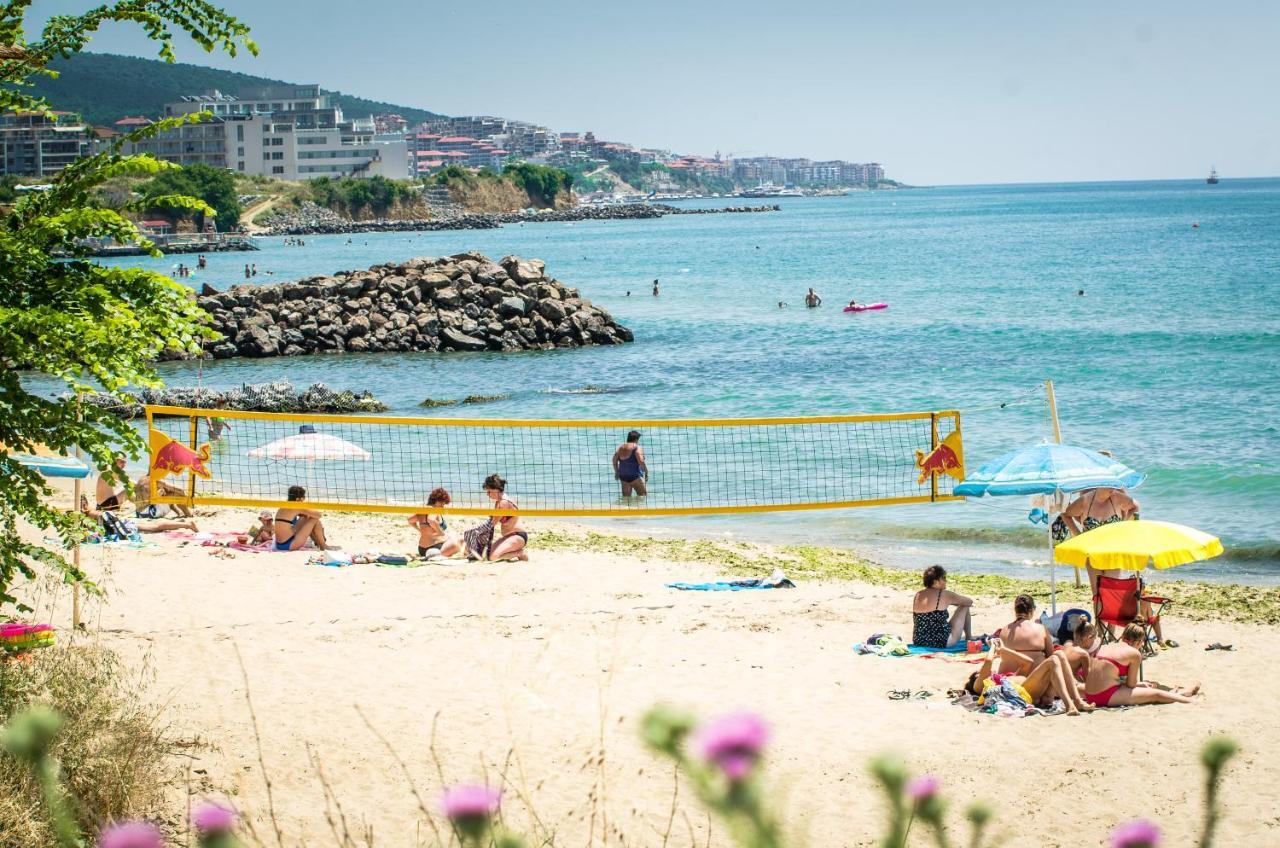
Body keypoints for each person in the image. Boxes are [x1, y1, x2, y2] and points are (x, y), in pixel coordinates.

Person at [963, 638, 1094, 716]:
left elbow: (1028, 663)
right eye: (978, 673)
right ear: (977, 677)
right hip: (1025, 693)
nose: (983, 672)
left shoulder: (1003, 678)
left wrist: (1003, 649)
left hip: (1033, 689)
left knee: (1059, 653)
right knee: (1053, 660)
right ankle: (1070, 705)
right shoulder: (980, 685)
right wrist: (992, 646)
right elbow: (988, 661)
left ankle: (1077, 701)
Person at [1082, 622, 1200, 708]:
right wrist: (1138, 685)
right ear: (1139, 642)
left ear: (1123, 636)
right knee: (1155, 694)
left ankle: (1183, 693)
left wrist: (1140, 684)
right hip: (1104, 696)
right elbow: (1131, 684)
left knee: (1146, 690)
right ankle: (1191, 701)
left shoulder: (1105, 646)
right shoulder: (1134, 653)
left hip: (1089, 693)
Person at [912, 565, 973, 648]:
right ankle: (969, 638)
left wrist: (950, 602)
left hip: (919, 641)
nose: (946, 581)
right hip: (941, 642)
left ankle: (969, 638)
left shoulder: (918, 594)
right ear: (936, 581)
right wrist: (953, 601)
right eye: (943, 578)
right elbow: (969, 602)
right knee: (964, 606)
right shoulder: (944, 594)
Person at [79, 495, 196, 534]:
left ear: (84, 505)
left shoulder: (91, 513)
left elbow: (104, 522)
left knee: (154, 527)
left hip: (122, 526)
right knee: (154, 526)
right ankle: (182, 523)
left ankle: (187, 525)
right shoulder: (89, 513)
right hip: (121, 524)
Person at [998, 594, 1053, 668]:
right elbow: (1050, 655)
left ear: (1015, 610)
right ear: (1032, 609)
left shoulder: (1004, 631)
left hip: (1009, 675)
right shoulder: (1040, 629)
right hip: (1036, 676)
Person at [484, 474, 528, 562]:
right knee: (488, 555)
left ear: (496, 489)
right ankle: (515, 552)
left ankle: (519, 553)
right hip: (508, 536)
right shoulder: (498, 502)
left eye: (489, 491)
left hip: (518, 536)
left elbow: (492, 524)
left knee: (493, 557)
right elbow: (491, 521)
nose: (487, 494)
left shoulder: (503, 502)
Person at [409, 487, 462, 559]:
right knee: (463, 540)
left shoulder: (422, 510)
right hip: (435, 548)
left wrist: (420, 530)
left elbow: (410, 520)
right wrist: (441, 533)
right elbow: (431, 520)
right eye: (442, 504)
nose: (443, 507)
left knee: (452, 537)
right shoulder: (434, 510)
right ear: (436, 501)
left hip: (421, 550)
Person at [273, 485, 330, 552]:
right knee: (314, 519)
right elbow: (318, 515)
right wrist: (307, 510)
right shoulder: (298, 506)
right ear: (298, 499)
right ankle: (323, 546)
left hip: (279, 545)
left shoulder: (283, 506)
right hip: (289, 545)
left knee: (306, 517)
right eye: (303, 497)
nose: (304, 499)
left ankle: (318, 543)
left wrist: (305, 514)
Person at [612, 430, 649, 497]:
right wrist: (646, 472)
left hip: (623, 477)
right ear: (636, 439)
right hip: (635, 476)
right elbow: (641, 461)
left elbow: (614, 460)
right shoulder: (637, 447)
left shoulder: (620, 447)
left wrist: (617, 472)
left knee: (626, 500)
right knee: (643, 497)